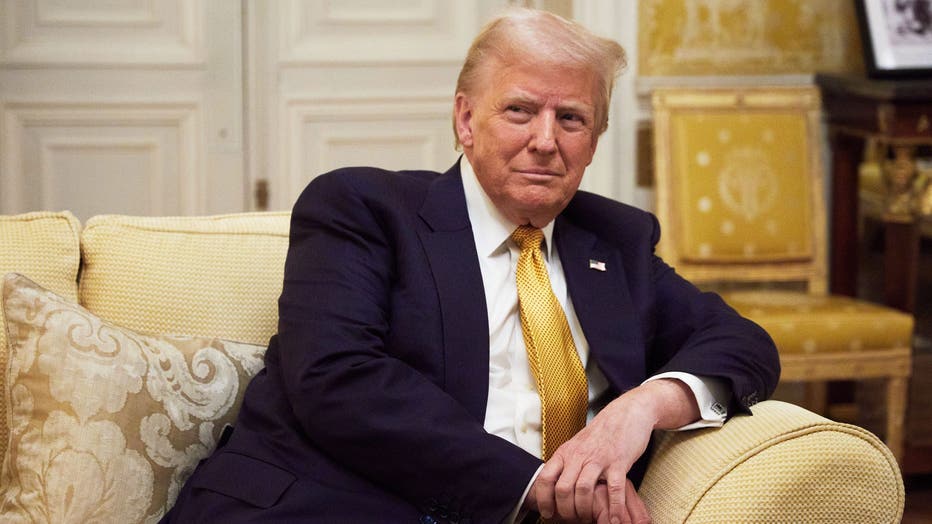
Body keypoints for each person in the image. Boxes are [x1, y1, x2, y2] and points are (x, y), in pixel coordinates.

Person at [165, 8, 779, 524]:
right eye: (519, 110)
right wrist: (538, 486)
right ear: (465, 120)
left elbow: (743, 343)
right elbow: (337, 379)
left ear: (595, 140)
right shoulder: (364, 209)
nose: (546, 140)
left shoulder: (613, 241)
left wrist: (641, 409)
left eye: (572, 118)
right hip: (324, 506)